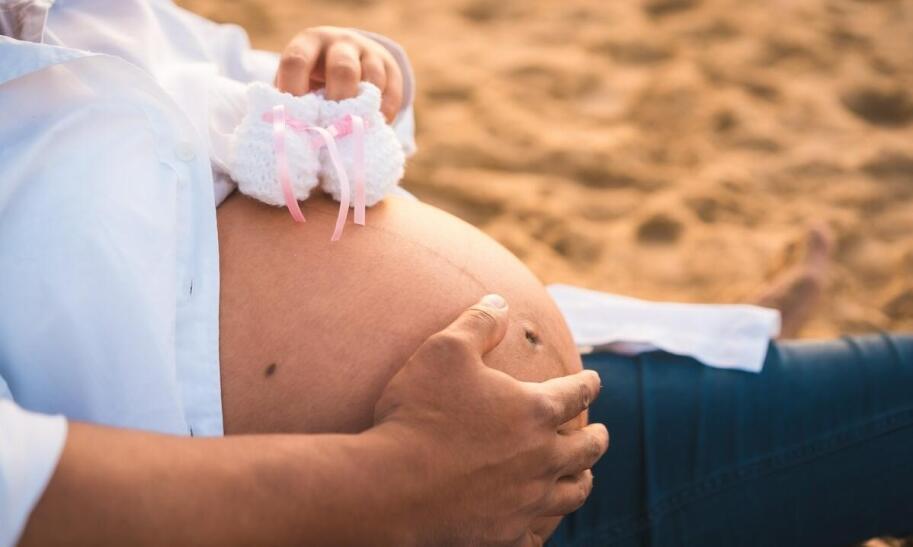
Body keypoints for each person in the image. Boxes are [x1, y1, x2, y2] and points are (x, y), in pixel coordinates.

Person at [1, 2, 911, 546]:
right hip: (382, 507)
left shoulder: (78, 14)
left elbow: (263, 103)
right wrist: (398, 482)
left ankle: (700, 350)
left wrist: (356, 75)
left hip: (531, 441)